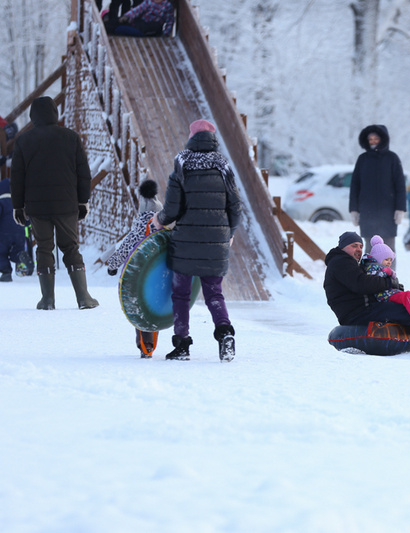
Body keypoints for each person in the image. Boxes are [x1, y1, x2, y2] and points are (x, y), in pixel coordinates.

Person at [152, 119, 242, 362]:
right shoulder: (224, 166)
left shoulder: (181, 165)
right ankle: (225, 335)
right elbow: (235, 205)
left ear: (191, 137)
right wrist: (229, 233)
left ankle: (182, 344)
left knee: (180, 294)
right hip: (217, 242)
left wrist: (159, 219)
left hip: (185, 243)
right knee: (214, 293)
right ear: (213, 140)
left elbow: (171, 209)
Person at [10, 96, 99, 310]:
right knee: (70, 247)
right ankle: (83, 298)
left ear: (33, 116)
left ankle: (48, 300)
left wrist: (18, 206)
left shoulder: (24, 140)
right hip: (67, 205)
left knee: (44, 248)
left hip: (37, 207)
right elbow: (83, 173)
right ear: (55, 113)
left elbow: (17, 177)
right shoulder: (71, 137)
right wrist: (83, 201)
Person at [106, 179, 163, 358]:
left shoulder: (139, 228)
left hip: (137, 277)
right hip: (159, 276)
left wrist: (113, 265)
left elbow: (125, 247)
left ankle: (144, 345)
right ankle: (151, 342)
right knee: (155, 308)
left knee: (139, 310)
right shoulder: (164, 228)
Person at [349, 125, 406, 257]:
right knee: (370, 247)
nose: (373, 141)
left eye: (376, 138)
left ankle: (389, 275)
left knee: (388, 248)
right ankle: (370, 276)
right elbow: (355, 185)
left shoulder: (392, 159)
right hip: (367, 212)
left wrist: (400, 209)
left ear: (383, 139)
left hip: (388, 213)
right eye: (371, 139)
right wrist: (354, 210)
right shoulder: (362, 159)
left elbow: (400, 186)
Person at [363, 235, 410, 327]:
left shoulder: (382, 268)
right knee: (408, 296)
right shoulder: (371, 267)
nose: (389, 262)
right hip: (384, 296)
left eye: (390, 260)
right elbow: (373, 280)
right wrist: (385, 272)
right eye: (386, 259)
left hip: (391, 293)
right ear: (378, 259)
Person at [0, 177, 33, 282]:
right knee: (17, 251)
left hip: (3, 234)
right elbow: (28, 220)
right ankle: (20, 256)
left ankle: (6, 272)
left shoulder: (1, 202)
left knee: (1, 253)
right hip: (20, 232)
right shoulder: (20, 203)